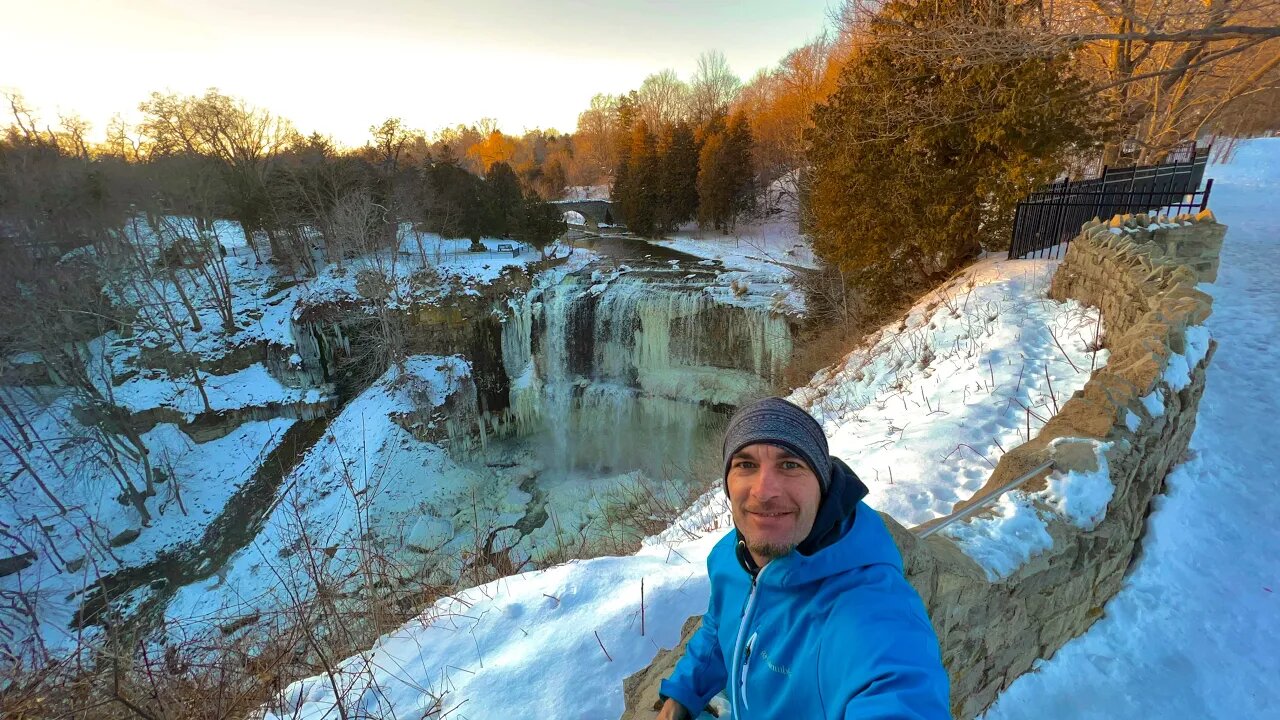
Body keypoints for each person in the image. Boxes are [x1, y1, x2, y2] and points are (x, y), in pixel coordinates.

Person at [657, 397, 950, 719]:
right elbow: (719, 624)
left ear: (822, 485)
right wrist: (683, 695)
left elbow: (898, 688)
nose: (764, 491)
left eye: (790, 465)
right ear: (727, 481)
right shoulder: (732, 556)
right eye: (746, 464)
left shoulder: (869, 609)